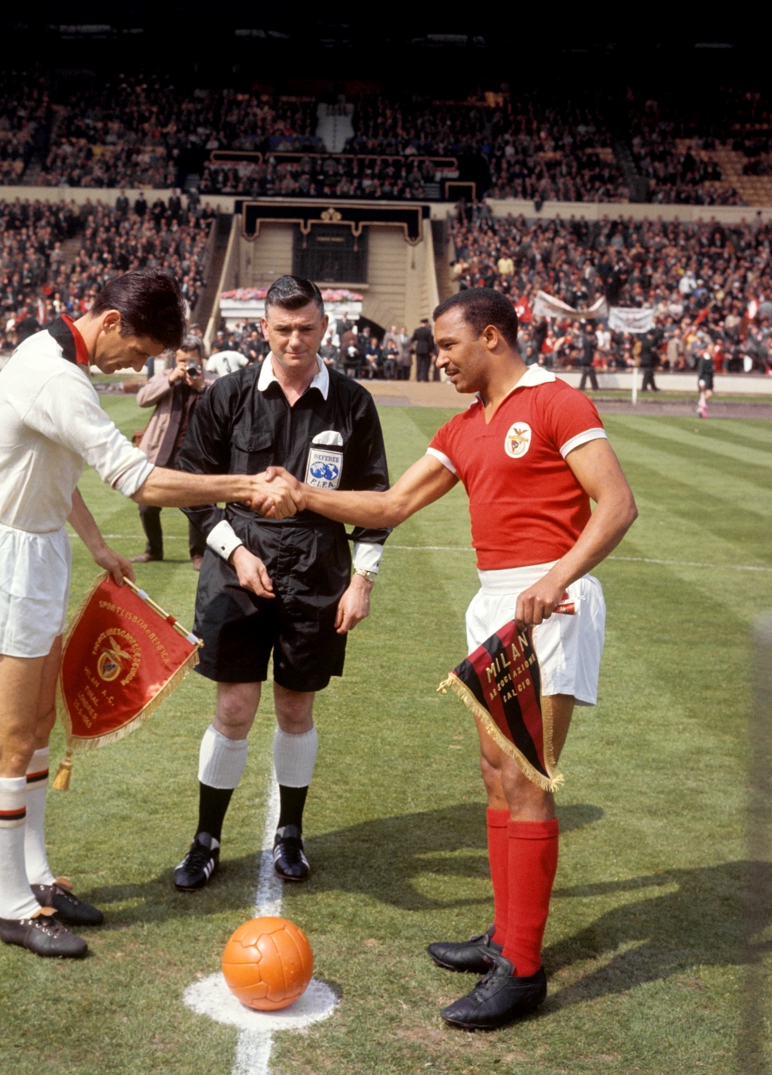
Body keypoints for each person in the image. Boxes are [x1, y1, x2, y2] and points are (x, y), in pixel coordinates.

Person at [268, 288, 637, 1030]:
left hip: (550, 604)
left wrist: (554, 578)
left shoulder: (557, 403)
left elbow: (617, 503)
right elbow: (389, 506)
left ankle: (523, 971)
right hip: (495, 603)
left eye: (448, 346)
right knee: (496, 773)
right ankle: (506, 934)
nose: (438, 360)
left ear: (492, 337)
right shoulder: (465, 427)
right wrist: (306, 495)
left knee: (528, 779)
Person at [0, 269, 299, 961]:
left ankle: (39, 878)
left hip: (39, 550)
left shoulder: (61, 363)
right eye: (139, 351)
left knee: (41, 727)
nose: (138, 366)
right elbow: (135, 476)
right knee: (10, 741)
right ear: (109, 320)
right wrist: (243, 487)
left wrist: (99, 544)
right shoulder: (57, 376)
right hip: (4, 562)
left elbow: (54, 467)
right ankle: (14, 907)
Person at [169, 275, 391, 893]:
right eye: (283, 328)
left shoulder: (352, 402)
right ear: (262, 329)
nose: (295, 339)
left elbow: (378, 499)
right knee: (234, 708)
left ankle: (290, 832)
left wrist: (363, 580)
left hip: (319, 570)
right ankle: (206, 838)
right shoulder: (229, 394)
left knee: (296, 707)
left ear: (325, 327)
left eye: (307, 327)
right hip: (236, 568)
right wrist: (236, 553)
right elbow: (192, 487)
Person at [132, 334, 212, 569]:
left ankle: (199, 554)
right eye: (182, 361)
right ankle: (154, 550)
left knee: (197, 504)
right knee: (147, 504)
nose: (187, 367)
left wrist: (202, 387)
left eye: (192, 362)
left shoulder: (214, 382)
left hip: (196, 452)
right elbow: (142, 399)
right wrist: (170, 380)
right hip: (162, 450)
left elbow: (226, 407)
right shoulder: (164, 377)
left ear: (202, 359)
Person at [576, 324, 598, 390]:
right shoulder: (588, 343)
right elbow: (588, 353)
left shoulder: (587, 341)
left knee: (586, 375)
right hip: (587, 361)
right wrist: (590, 361)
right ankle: (594, 387)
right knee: (591, 374)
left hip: (586, 361)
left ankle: (582, 387)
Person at [412, 317, 434, 381]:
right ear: (426, 323)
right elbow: (430, 342)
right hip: (426, 349)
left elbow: (413, 339)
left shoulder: (417, 330)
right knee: (426, 364)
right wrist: (431, 350)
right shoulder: (428, 331)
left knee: (418, 364)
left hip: (418, 349)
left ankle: (418, 378)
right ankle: (425, 378)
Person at [696, 347, 715, 417]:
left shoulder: (710, 359)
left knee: (705, 395)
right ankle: (701, 406)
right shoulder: (703, 359)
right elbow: (701, 371)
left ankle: (700, 408)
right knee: (706, 394)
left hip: (709, 380)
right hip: (704, 380)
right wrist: (701, 380)